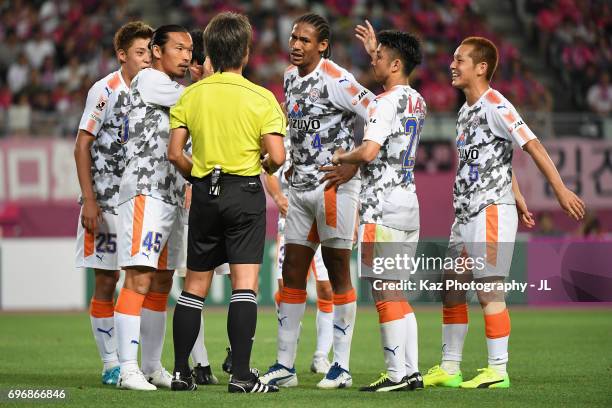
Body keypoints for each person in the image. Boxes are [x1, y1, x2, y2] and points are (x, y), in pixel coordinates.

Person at [423, 36, 585, 389]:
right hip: (464, 213)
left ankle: (498, 369)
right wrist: (519, 194)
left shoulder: (497, 105)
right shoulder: (466, 111)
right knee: (452, 287)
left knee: (489, 289)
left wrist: (559, 190)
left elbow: (532, 145)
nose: (452, 64)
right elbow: (497, 159)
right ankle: (450, 368)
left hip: (490, 211)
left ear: (481, 67)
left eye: (460, 59)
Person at [168, 12, 286, 394]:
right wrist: (263, 162)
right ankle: (241, 376)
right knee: (245, 286)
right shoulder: (261, 97)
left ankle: (181, 373)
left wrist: (197, 176)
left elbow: (175, 153)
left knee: (194, 287)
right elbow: (278, 157)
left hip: (205, 191)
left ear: (211, 52)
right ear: (246, 52)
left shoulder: (191, 94)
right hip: (245, 193)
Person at [260, 12, 375, 390]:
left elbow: (379, 112)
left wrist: (355, 163)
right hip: (299, 189)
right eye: (293, 38)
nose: (295, 45)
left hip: (333, 188)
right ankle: (285, 365)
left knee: (338, 271)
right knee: (293, 272)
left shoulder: (338, 78)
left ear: (322, 45)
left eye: (304, 40)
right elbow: (296, 127)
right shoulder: (290, 78)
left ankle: (340, 366)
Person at [332, 23, 426, 392]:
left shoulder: (383, 103)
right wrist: (376, 48)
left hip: (381, 207)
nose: (374, 63)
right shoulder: (417, 100)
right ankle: (412, 370)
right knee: (398, 291)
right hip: (408, 203)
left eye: (381, 58)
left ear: (397, 62)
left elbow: (369, 151)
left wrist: (344, 155)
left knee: (384, 290)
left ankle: (395, 373)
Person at [114, 25, 193, 391]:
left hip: (172, 195)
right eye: (179, 48)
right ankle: (127, 368)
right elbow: (195, 105)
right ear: (157, 51)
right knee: (139, 277)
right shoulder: (148, 79)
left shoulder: (172, 89)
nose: (187, 55)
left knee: (162, 282)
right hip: (146, 191)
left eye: (190, 49)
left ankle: (150, 366)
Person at [74, 21, 153, 386]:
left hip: (140, 201)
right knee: (106, 280)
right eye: (140, 53)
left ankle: (135, 362)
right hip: (105, 203)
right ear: (122, 55)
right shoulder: (105, 90)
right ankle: (111, 364)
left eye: (150, 52)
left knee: (141, 280)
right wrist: (90, 200)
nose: (147, 59)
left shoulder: (154, 90)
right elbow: (82, 145)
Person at [262, 136, 334, 375]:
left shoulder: (325, 130)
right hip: (292, 217)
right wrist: (277, 197)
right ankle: (288, 352)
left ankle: (322, 356)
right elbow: (269, 170)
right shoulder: (282, 136)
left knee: (327, 288)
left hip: (322, 215)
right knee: (286, 288)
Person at [172, 28, 220, 386]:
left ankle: (235, 354)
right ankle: (199, 362)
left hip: (214, 198)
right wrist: (196, 178)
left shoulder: (206, 96)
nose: (189, 62)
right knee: (194, 282)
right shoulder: (183, 97)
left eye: (194, 56)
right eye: (185, 54)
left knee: (232, 281)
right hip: (197, 200)